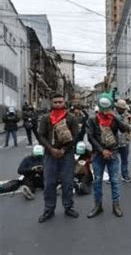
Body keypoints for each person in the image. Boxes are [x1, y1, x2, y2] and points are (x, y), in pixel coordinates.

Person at [38, 93, 79, 223]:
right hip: (50, 155)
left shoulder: (71, 118)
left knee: (67, 182)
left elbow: (76, 136)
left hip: (66, 154)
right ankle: (49, 209)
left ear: (64, 102)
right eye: (55, 102)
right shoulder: (46, 118)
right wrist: (51, 149)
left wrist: (63, 150)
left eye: (60, 102)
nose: (58, 104)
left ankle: (68, 207)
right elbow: (41, 136)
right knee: (49, 183)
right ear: (51, 103)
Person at [86, 93, 129, 218]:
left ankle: (116, 205)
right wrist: (101, 150)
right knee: (97, 180)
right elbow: (91, 137)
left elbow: (123, 129)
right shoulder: (92, 120)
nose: (105, 110)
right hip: (98, 154)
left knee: (115, 180)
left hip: (113, 153)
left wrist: (116, 117)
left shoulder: (113, 118)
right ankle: (98, 205)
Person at [115, 99, 131, 183]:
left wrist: (126, 126)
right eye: (119, 108)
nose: (121, 110)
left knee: (124, 159)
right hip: (114, 141)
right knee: (114, 160)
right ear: (116, 108)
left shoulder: (129, 116)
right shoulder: (112, 115)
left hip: (125, 141)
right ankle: (113, 176)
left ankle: (125, 175)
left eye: (123, 108)